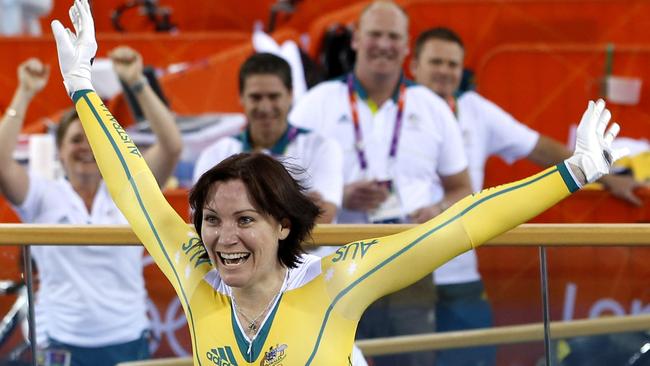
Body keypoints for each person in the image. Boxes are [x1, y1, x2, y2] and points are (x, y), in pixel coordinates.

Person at [49, 0, 627, 364]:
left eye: (244, 219)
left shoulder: (338, 286)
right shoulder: (194, 274)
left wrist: (571, 174)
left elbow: (461, 226)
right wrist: (82, 88)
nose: (222, 237)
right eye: (211, 220)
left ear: (282, 225)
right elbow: (137, 191)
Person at [410, 26, 646, 366]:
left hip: (459, 268)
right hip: (401, 265)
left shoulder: (474, 108)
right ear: (413, 65)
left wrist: (607, 177)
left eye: (453, 64)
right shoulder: (390, 108)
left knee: (474, 358)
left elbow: (537, 147)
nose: (445, 71)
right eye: (436, 62)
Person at [289, 1, 472, 364]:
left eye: (393, 37)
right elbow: (280, 191)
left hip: (409, 265)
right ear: (356, 39)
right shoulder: (316, 103)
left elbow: (462, 188)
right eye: (375, 34)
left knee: (412, 360)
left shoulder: (431, 107)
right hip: (334, 267)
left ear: (407, 46)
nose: (383, 44)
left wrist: (435, 210)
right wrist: (338, 197)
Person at [0, 46, 183, 365]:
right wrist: (24, 93)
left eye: (93, 139)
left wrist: (137, 82)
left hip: (126, 338)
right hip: (60, 340)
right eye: (75, 139)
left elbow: (171, 146)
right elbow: (1, 165)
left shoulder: (129, 190)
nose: (85, 147)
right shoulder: (43, 194)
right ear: (59, 151)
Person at [193, 52, 343, 224]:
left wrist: (241, 213)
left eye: (273, 97)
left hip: (306, 252)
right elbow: (205, 221)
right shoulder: (215, 155)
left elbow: (323, 219)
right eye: (256, 97)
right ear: (241, 97)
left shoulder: (322, 148)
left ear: (290, 95)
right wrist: (297, 206)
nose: (265, 107)